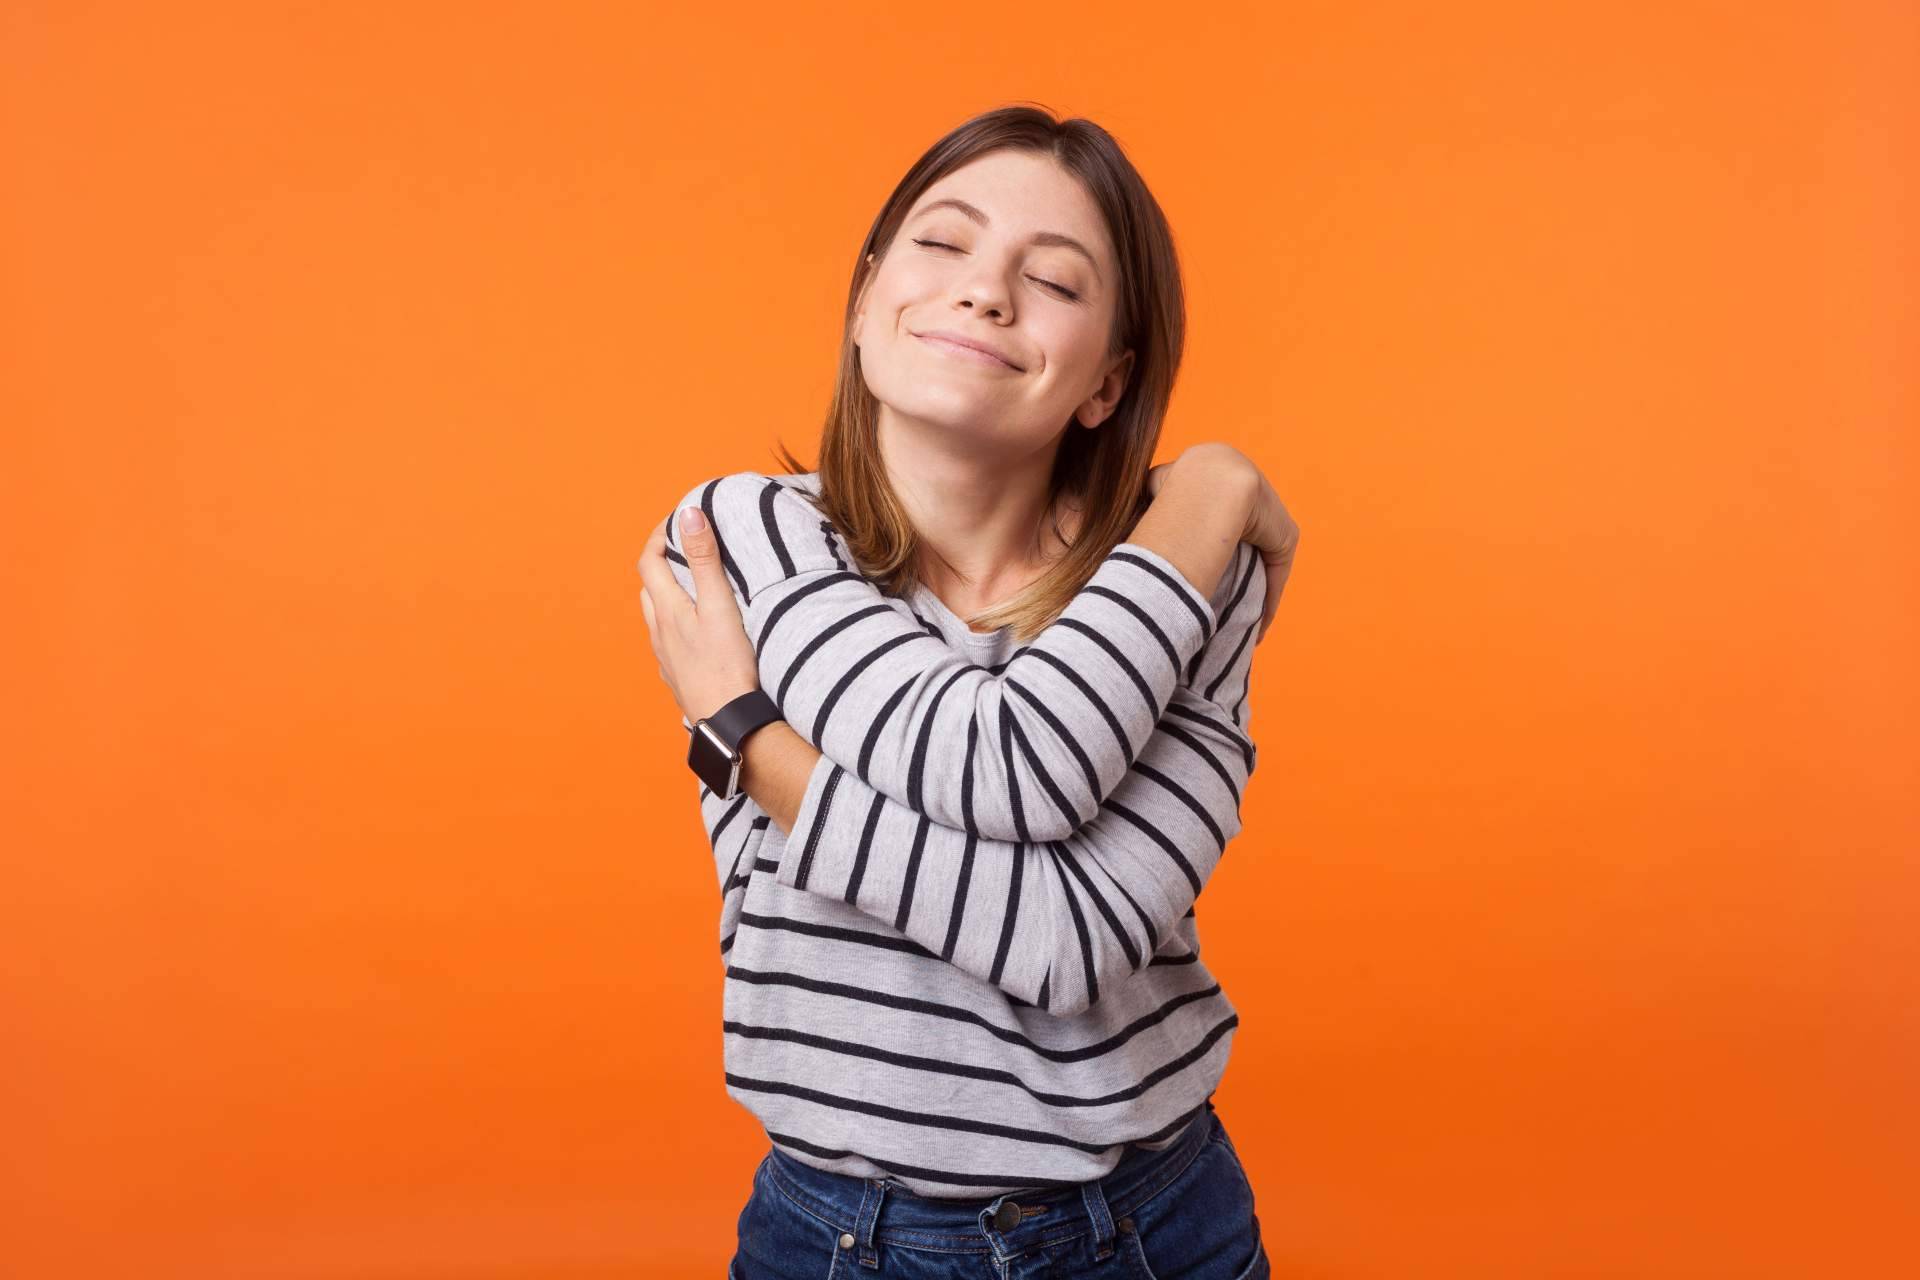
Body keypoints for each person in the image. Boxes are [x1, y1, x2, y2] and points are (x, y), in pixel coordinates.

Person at [636, 105, 1298, 1280]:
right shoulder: (746, 537)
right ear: (864, 301)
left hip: (1160, 1222)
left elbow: (1066, 941)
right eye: (943, 244)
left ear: (1108, 381)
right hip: (845, 1236)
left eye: (1052, 279)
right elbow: (999, 758)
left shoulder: (1190, 566)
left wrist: (753, 741)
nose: (987, 292)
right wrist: (1222, 486)